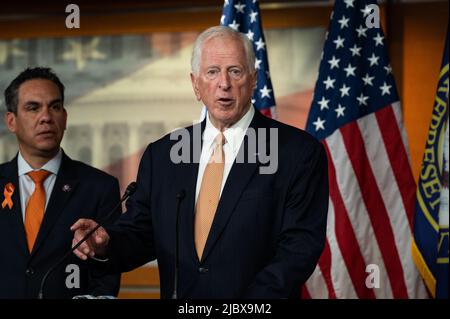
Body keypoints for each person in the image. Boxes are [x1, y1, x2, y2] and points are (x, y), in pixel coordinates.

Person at [71, 26, 328, 299]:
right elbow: (141, 235)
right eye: (212, 72)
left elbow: (298, 248)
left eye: (236, 71)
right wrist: (106, 243)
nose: (224, 83)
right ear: (196, 84)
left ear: (253, 80)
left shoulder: (297, 153)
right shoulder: (163, 156)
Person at [0, 67, 121, 298]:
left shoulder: (99, 188)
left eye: (54, 107)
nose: (46, 117)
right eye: (33, 108)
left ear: (64, 117)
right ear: (11, 121)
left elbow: (105, 277)